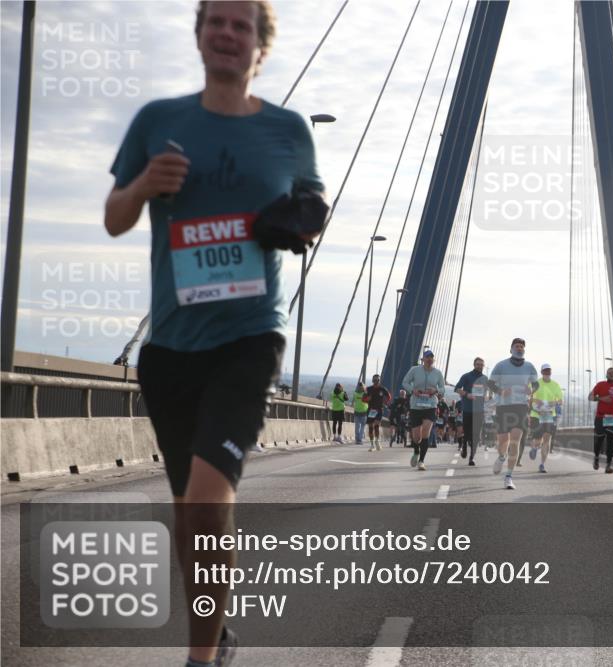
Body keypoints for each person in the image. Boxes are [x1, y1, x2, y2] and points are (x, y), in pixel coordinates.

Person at [105, 2, 321, 665]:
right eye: (216, 22)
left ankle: (201, 658)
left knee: (205, 498)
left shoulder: (289, 131)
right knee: (188, 510)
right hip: (171, 347)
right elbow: (114, 217)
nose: (227, 33)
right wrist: (145, 184)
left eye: (241, 25)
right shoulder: (158, 122)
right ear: (199, 35)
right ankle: (216, 632)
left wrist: (295, 222)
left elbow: (313, 211)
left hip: (250, 340)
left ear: (261, 45)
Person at [488, 338, 538, 490]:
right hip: (503, 406)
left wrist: (532, 390)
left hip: (521, 407)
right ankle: (501, 457)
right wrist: (501, 391)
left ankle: (508, 477)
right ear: (511, 349)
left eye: (522, 346)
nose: (519, 348)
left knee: (515, 441)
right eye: (517, 346)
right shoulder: (501, 365)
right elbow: (490, 383)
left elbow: (536, 384)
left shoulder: (529, 366)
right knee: (503, 441)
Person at [401, 349, 445, 471]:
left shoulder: (437, 373)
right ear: (423, 359)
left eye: (431, 357)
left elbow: (442, 388)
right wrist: (413, 390)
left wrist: (436, 390)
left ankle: (421, 461)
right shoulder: (414, 370)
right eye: (427, 357)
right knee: (416, 437)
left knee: (426, 433)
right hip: (416, 405)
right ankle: (416, 451)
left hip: (431, 406)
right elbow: (405, 382)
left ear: (433, 360)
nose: (429, 359)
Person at [528, 363, 563, 473]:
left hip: (549, 415)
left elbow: (560, 400)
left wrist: (555, 402)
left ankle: (542, 464)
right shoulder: (535, 384)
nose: (547, 372)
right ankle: (535, 447)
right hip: (536, 415)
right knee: (538, 440)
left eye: (549, 371)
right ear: (542, 372)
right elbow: (528, 397)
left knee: (547, 439)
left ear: (551, 372)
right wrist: (535, 400)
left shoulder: (555, 385)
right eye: (545, 371)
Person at [590, 367, 613, 473]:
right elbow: (590, 397)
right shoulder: (600, 385)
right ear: (606, 375)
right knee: (599, 440)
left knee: (611, 441)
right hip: (601, 417)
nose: (611, 374)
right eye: (609, 373)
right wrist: (601, 398)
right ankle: (596, 457)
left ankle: (608, 465)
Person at [455, 357, 488, 465]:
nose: (480, 366)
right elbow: (457, 388)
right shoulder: (466, 376)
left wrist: (486, 397)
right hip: (468, 409)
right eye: (478, 364)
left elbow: (486, 392)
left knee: (476, 435)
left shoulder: (485, 378)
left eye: (481, 365)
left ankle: (471, 458)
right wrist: (466, 394)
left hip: (479, 410)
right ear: (474, 365)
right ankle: (464, 445)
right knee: (467, 432)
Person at [364, 375, 391, 451]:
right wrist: (367, 399)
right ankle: (372, 444)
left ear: (379, 381)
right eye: (374, 380)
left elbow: (389, 396)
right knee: (370, 427)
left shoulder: (382, 389)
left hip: (379, 409)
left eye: (377, 380)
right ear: (372, 381)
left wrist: (385, 402)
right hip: (371, 410)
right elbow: (363, 398)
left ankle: (377, 441)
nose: (376, 382)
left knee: (376, 426)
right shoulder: (368, 389)